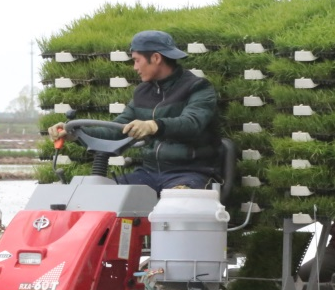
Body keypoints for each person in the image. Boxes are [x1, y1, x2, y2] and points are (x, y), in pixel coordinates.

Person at [47, 30, 222, 194]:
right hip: (148, 174)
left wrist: (153, 126)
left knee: (176, 203)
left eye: (137, 60)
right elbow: (117, 129)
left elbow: (192, 123)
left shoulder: (198, 87)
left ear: (155, 58)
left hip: (191, 173)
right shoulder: (142, 93)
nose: (134, 67)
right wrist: (75, 134)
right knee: (102, 197)